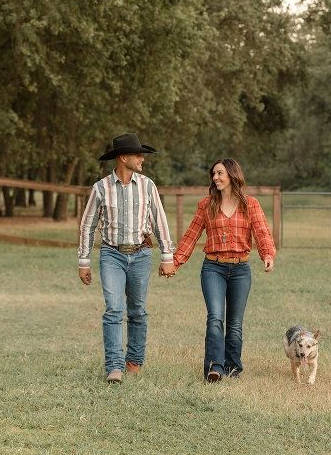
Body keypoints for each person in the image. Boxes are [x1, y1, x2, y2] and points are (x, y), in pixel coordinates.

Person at [78, 133, 176, 384]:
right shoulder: (100, 188)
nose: (142, 159)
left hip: (141, 254)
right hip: (111, 254)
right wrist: (84, 261)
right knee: (113, 309)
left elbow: (159, 221)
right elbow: (88, 225)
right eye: (137, 155)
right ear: (124, 158)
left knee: (138, 311)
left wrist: (167, 255)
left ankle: (134, 362)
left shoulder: (147, 186)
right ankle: (114, 367)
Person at [172, 158, 275, 382]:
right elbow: (192, 234)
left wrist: (267, 254)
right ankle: (215, 367)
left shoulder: (251, 204)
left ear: (232, 175)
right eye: (214, 174)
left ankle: (233, 367)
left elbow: (262, 231)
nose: (215, 177)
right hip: (213, 268)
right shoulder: (206, 204)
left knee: (235, 323)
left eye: (219, 173)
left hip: (241, 270)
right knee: (215, 318)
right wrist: (176, 261)